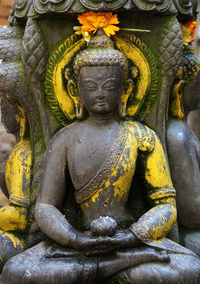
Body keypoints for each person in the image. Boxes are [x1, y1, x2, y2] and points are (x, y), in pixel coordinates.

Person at [3, 30, 200, 284]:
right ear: (75, 90)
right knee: (17, 272)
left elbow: (165, 205)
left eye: (109, 86)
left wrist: (131, 236)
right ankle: (111, 267)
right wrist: (74, 238)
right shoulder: (65, 138)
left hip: (130, 241)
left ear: (125, 88)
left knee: (191, 268)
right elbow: (45, 206)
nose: (100, 94)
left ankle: (107, 266)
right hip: (75, 246)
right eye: (90, 87)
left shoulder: (141, 136)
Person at [167, 70, 200, 255]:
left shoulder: (185, 129)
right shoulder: (177, 135)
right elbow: (191, 212)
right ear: (180, 88)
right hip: (189, 233)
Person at [0, 97, 32, 271]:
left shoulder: (23, 153)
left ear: (21, 113)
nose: (3, 118)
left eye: (5, 111)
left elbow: (20, 217)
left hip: (22, 240)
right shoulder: (20, 149)